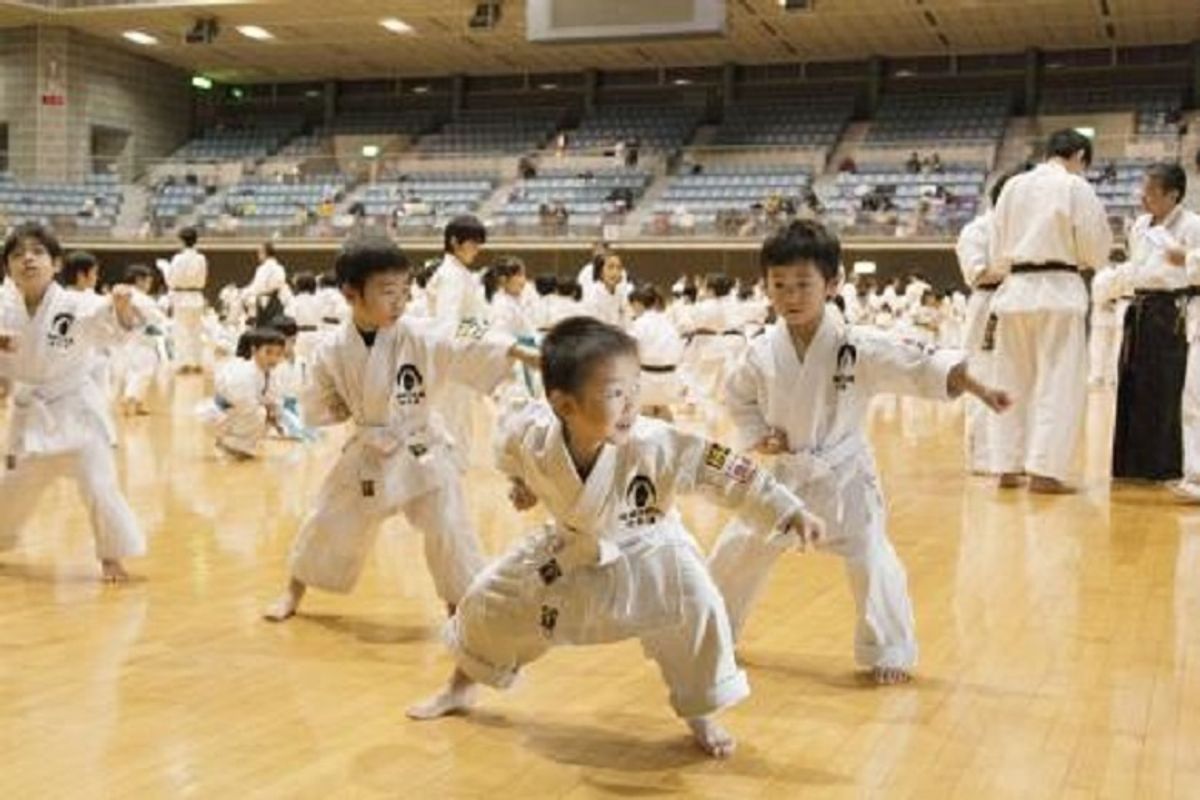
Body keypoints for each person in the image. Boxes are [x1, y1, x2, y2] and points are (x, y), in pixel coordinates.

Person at [407, 316, 823, 759]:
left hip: (652, 548)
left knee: (699, 609)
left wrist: (788, 508)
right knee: (489, 600)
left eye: (634, 389)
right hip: (572, 546)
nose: (630, 406)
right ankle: (460, 687)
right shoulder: (530, 433)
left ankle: (700, 710)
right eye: (615, 394)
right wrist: (522, 485)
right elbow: (509, 452)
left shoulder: (655, 442)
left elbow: (724, 471)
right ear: (564, 405)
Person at [706, 220, 1011, 685]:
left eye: (803, 284)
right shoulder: (762, 350)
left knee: (871, 557)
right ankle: (711, 634)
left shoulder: (857, 345)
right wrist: (757, 432)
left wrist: (979, 388)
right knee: (738, 548)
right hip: (786, 475)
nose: (790, 296)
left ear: (833, 283)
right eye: (779, 285)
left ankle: (888, 649)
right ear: (765, 285)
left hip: (844, 475)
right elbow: (737, 396)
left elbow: (920, 363)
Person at [263, 234, 539, 623]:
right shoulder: (331, 347)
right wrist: (335, 407)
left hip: (421, 446)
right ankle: (293, 593)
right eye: (387, 292)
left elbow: (467, 335)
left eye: (405, 291)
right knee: (327, 517)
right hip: (368, 448)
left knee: (449, 524)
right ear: (350, 293)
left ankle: (460, 606)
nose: (400, 302)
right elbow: (320, 401)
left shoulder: (420, 331)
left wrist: (526, 352)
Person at [0, 223, 148, 582]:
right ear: (8, 268)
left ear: (56, 263)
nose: (27, 259)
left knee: (99, 485)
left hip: (76, 411)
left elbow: (117, 327)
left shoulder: (78, 304)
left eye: (37, 252)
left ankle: (112, 556)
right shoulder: (4, 307)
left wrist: (124, 308)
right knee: (11, 488)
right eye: (17, 254)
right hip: (29, 413)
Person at [988, 129, 1112, 493]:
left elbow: (997, 249)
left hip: (1015, 291)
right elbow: (1095, 249)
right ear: (1077, 155)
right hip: (1059, 290)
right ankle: (1045, 470)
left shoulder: (1012, 187)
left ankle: (1006, 465)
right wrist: (1088, 258)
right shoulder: (1076, 187)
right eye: (1083, 164)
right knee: (1059, 382)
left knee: (1009, 380)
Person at [1105, 164, 1200, 482]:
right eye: (1142, 191)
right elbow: (1134, 265)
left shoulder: (1192, 225)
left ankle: (1164, 465)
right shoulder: (1141, 225)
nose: (1143, 198)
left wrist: (1184, 256)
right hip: (1140, 307)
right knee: (1132, 384)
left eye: (1151, 192)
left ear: (1173, 194)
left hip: (1172, 310)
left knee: (1165, 387)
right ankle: (1133, 464)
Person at [955, 167, 1025, 475]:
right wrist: (1024, 269)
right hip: (988, 307)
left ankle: (1015, 456)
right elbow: (979, 273)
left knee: (1018, 379)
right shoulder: (977, 230)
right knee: (984, 376)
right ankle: (983, 458)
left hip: (1020, 304)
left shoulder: (1021, 229)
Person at [428, 215, 490, 469]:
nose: (476, 250)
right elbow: (447, 323)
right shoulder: (451, 275)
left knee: (459, 418)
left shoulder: (460, 273)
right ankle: (444, 472)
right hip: (452, 357)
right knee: (450, 418)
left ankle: (450, 471)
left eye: (478, 245)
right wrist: (481, 332)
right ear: (454, 242)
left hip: (461, 355)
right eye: (472, 244)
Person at [200, 327, 287, 460]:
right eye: (268, 352)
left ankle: (239, 445)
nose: (273, 358)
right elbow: (243, 403)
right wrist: (268, 410)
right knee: (260, 413)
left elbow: (273, 397)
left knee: (267, 413)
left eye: (278, 354)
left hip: (238, 413)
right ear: (254, 350)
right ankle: (230, 444)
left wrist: (275, 414)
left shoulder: (268, 372)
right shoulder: (242, 373)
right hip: (221, 414)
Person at [629, 284, 685, 421]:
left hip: (648, 383)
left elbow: (631, 353)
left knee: (643, 414)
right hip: (671, 381)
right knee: (663, 410)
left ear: (637, 304)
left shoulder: (639, 323)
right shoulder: (668, 321)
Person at [163, 227, 208, 375]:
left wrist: (165, 268)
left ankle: (184, 364)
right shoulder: (201, 258)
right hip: (197, 296)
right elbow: (203, 279)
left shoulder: (178, 259)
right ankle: (197, 363)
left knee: (182, 331)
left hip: (182, 297)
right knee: (196, 331)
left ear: (182, 241)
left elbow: (172, 281)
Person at [242, 241, 291, 326]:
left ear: (264, 253)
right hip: (277, 303)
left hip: (266, 304)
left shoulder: (263, 268)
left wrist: (243, 293)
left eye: (259, 252)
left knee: (264, 332)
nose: (258, 255)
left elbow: (257, 288)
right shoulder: (280, 268)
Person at [581, 253, 631, 329]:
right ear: (600, 272)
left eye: (619, 268)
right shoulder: (592, 295)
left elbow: (628, 321)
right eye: (610, 267)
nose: (615, 272)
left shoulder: (621, 293)